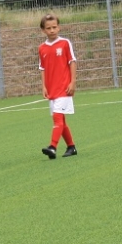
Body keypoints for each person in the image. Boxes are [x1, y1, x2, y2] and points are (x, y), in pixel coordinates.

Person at [38, 14, 77, 159]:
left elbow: (72, 62)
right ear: (43, 30)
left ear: (59, 27)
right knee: (61, 121)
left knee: (57, 118)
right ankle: (71, 147)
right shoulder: (42, 48)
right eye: (48, 28)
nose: (52, 30)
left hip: (64, 88)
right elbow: (42, 68)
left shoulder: (65, 43)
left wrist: (73, 82)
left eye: (54, 27)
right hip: (52, 90)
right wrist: (44, 86)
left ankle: (52, 147)